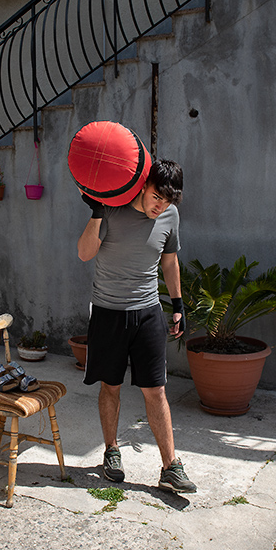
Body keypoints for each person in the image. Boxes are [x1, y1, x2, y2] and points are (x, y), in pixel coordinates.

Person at [77, 158, 197, 493]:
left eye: (168, 201)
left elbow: (169, 261)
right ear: (143, 186)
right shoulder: (111, 209)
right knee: (110, 386)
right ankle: (111, 451)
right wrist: (96, 212)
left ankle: (170, 466)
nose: (161, 206)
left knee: (156, 389)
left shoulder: (170, 215)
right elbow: (84, 253)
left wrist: (177, 304)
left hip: (147, 312)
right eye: (157, 196)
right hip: (108, 312)